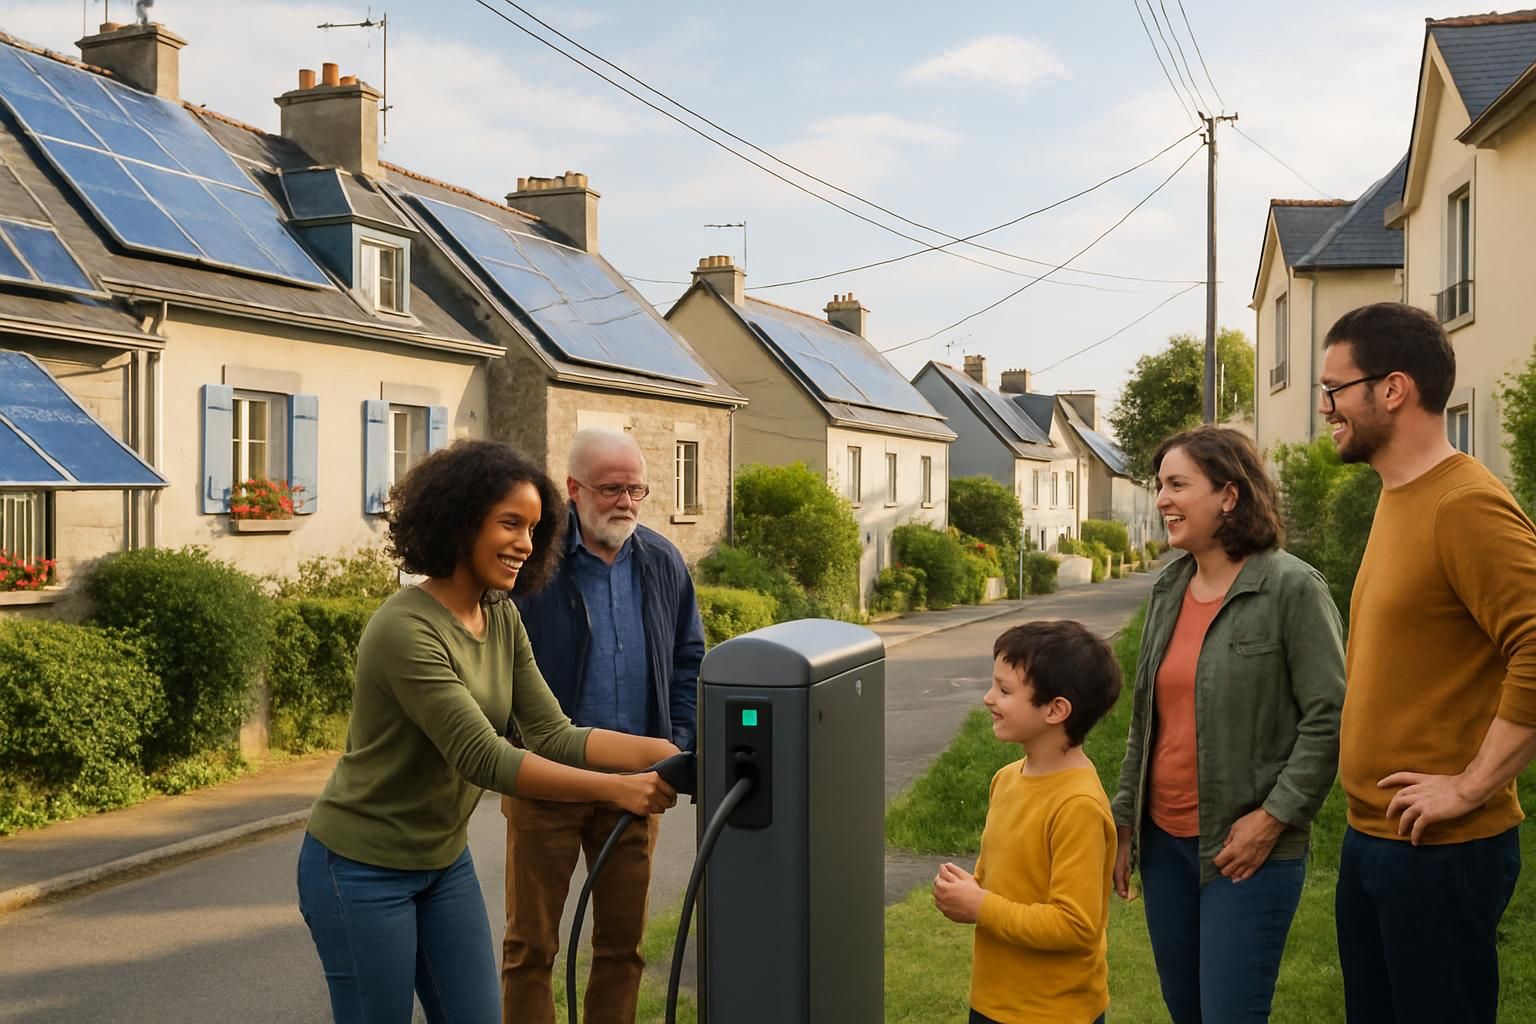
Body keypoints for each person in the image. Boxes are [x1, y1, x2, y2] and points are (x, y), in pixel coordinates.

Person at [295, 439, 679, 1024]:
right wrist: (618, 788)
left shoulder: (499, 616)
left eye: (533, 529)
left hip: (442, 862)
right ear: (461, 520)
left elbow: (553, 733)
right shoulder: (405, 629)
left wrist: (669, 753)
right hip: (361, 868)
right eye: (510, 524)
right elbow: (486, 758)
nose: (526, 543)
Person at [1322, 302, 1536, 1023]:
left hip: (1442, 852)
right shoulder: (1398, 496)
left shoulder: (1464, 503)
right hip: (1375, 837)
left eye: (1335, 389)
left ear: (1393, 389)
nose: (1325, 408)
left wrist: (1471, 785)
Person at [1111, 425, 1344, 1024]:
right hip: (1165, 847)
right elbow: (1145, 719)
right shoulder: (1169, 588)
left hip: (1246, 852)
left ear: (1229, 495)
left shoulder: (1292, 588)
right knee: (1185, 1010)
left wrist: (1272, 820)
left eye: (1178, 484)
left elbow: (1329, 719)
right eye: (1160, 485)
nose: (1162, 499)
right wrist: (1124, 822)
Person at [501, 428, 705, 1024]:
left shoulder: (663, 560)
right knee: (530, 949)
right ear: (573, 488)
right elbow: (493, 659)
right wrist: (512, 740)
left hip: (637, 786)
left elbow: (689, 660)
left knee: (623, 947)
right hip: (547, 784)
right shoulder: (533, 562)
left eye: (635, 489)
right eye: (611, 489)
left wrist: (678, 747)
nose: (626, 502)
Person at [933, 620, 1123, 1024]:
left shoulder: (1078, 806)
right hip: (993, 1001)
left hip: (1054, 1012)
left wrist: (980, 905)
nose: (988, 698)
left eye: (1004, 691)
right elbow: (1004, 885)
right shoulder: (1005, 780)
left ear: (1055, 710)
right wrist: (969, 892)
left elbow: (1075, 926)